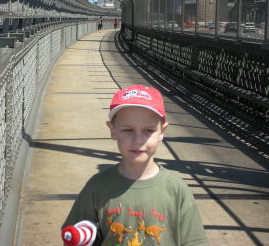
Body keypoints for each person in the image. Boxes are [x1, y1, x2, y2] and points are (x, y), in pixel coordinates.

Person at [62, 85, 207, 246]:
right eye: (128, 130)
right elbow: (73, 235)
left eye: (148, 130)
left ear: (162, 131)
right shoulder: (96, 188)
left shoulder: (177, 190)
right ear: (113, 130)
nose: (138, 140)